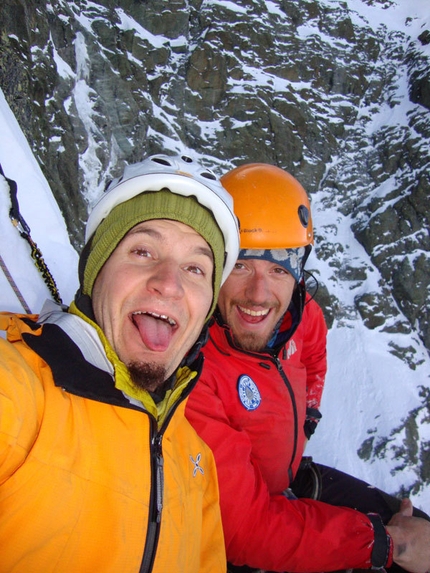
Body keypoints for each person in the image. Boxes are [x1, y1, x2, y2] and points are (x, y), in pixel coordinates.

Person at [185, 162, 430, 573]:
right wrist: (394, 544)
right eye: (241, 265)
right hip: (240, 536)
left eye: (279, 269)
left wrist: (309, 414)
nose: (258, 295)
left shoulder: (301, 314)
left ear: (298, 276)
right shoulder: (194, 368)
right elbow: (246, 528)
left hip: (293, 477)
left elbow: (314, 355)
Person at [0, 153, 240, 572]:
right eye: (143, 251)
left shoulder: (196, 462)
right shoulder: (20, 394)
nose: (169, 283)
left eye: (196, 268)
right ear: (97, 271)